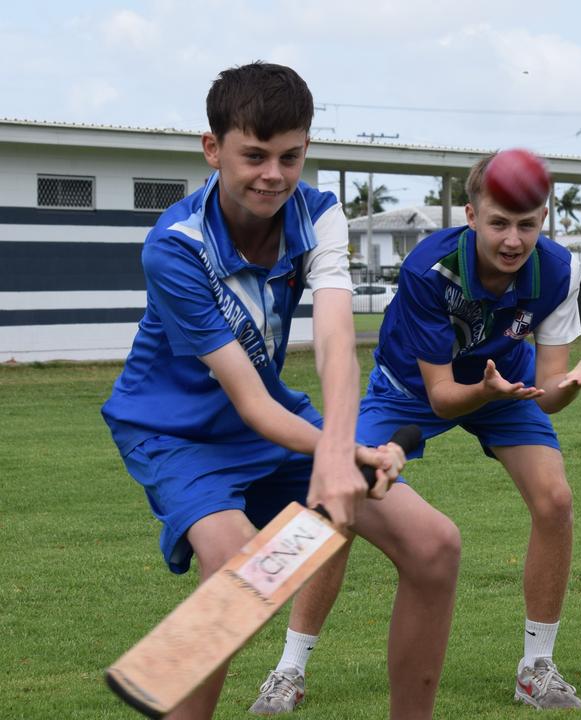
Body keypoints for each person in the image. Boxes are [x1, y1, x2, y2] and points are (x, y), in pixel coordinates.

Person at [100, 62, 460, 720]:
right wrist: (334, 453)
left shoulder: (319, 214)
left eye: (289, 156)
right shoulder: (175, 249)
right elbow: (248, 399)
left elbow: (332, 344)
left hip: (273, 420)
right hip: (176, 431)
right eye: (254, 156)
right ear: (213, 150)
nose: (273, 174)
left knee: (435, 544)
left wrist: (342, 449)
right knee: (233, 559)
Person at [253, 152, 581, 713]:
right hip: (410, 389)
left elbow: (548, 394)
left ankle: (536, 668)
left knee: (556, 498)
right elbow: (443, 397)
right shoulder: (431, 267)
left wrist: (572, 381)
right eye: (499, 222)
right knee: (339, 502)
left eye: (528, 224)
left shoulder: (559, 269)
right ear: (471, 216)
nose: (514, 239)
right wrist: (490, 390)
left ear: (544, 218)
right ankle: (289, 670)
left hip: (505, 387)